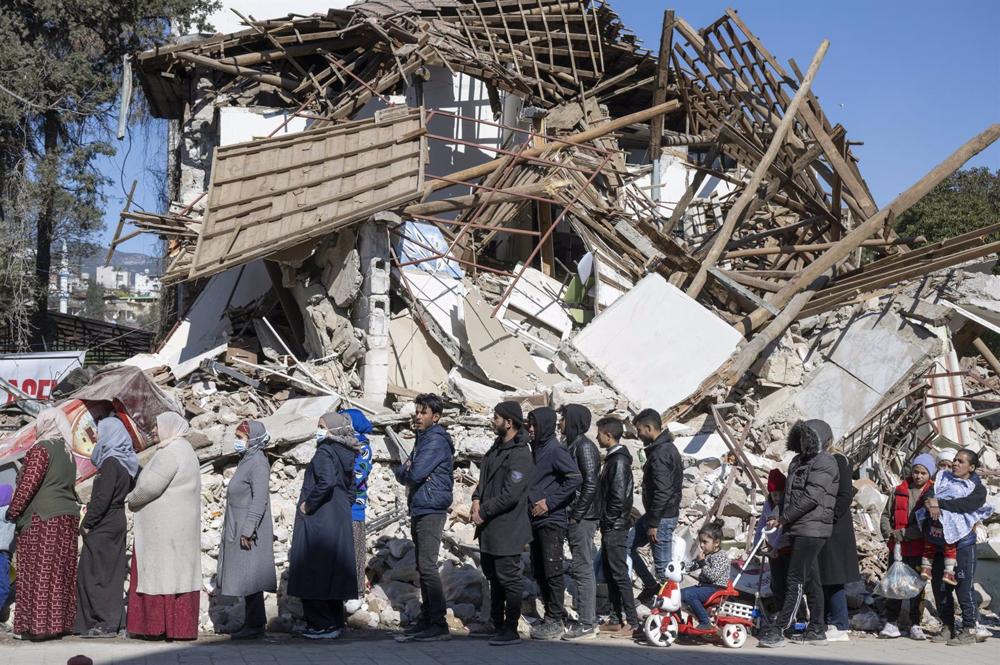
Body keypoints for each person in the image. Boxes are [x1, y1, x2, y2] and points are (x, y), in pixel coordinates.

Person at [758, 419, 839, 649]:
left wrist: (784, 518)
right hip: (798, 526)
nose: (803, 441)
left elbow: (812, 497)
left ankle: (780, 628)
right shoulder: (797, 461)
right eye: (800, 436)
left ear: (819, 439)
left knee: (795, 578)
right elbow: (787, 496)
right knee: (811, 578)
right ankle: (817, 629)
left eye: (808, 437)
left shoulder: (826, 462)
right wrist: (776, 514)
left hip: (813, 529)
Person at [5, 409, 80, 640]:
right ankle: (58, 625)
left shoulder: (41, 449)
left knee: (37, 572)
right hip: (66, 519)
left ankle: (36, 628)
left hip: (43, 519)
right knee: (59, 574)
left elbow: (28, 484)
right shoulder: (68, 453)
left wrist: (12, 512)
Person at [126, 412, 202, 640]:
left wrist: (132, 499)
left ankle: (155, 627)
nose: (155, 432)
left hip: (164, 532)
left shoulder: (170, 453)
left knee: (161, 577)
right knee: (178, 577)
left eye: (158, 427)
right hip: (178, 529)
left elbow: (150, 487)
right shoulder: (186, 450)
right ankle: (179, 629)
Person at [287, 412, 359, 640]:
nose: (317, 429)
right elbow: (351, 488)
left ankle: (321, 625)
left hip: (319, 518)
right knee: (331, 570)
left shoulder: (325, 451)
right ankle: (335, 622)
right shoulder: (346, 453)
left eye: (321, 426)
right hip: (337, 516)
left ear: (332, 431)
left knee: (312, 568)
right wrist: (340, 507)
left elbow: (326, 481)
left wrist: (308, 505)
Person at [471, 401, 534, 646]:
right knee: (494, 576)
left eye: (496, 418)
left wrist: (483, 511)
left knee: (509, 578)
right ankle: (496, 623)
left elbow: (510, 495)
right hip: (489, 526)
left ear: (509, 422)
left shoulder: (520, 455)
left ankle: (511, 627)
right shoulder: (497, 447)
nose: (492, 421)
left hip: (507, 526)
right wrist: (476, 498)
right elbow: (484, 480)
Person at [394, 394, 454, 642]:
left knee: (428, 566)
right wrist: (408, 470)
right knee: (422, 566)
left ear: (435, 417)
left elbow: (414, 472)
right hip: (420, 505)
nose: (418, 416)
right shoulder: (423, 439)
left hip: (431, 507)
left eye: (424, 412)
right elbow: (402, 471)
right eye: (417, 411)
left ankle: (438, 623)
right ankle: (427, 617)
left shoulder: (435, 441)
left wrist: (410, 470)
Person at [75, 415, 138, 637]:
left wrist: (88, 523)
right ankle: (105, 621)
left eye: (101, 433)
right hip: (114, 520)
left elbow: (102, 498)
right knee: (107, 573)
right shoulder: (125, 462)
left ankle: (105, 622)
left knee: (96, 575)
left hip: (104, 523)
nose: (98, 438)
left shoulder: (111, 463)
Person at [924, 449, 992, 646]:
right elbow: (929, 494)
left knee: (963, 588)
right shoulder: (941, 477)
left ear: (971, 467)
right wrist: (932, 503)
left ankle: (969, 628)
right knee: (940, 587)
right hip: (939, 541)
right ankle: (948, 626)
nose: (955, 464)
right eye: (954, 460)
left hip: (962, 544)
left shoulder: (977, 488)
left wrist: (940, 502)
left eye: (960, 461)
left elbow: (966, 505)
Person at [216, 420, 276, 640]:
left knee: (251, 578)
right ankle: (252, 623)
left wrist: (248, 529)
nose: (237, 442)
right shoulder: (247, 460)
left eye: (241, 438)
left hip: (249, 530)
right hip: (238, 525)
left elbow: (260, 500)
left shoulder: (258, 463)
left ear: (253, 440)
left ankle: (255, 625)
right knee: (247, 577)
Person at [525, 407, 581, 640]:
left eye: (534, 425)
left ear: (544, 426)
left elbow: (575, 478)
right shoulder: (536, 448)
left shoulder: (555, 450)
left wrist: (550, 502)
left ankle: (555, 619)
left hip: (552, 520)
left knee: (552, 569)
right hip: (536, 520)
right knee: (539, 567)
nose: (530, 429)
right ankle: (550, 614)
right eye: (529, 424)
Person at [878, 452, 935, 640]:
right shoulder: (899, 490)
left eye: (923, 473)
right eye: (916, 472)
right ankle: (891, 622)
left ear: (930, 475)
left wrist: (902, 534)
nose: (918, 476)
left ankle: (915, 623)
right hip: (898, 549)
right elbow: (886, 516)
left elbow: (926, 525)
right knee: (894, 585)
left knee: (916, 588)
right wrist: (888, 533)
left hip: (918, 548)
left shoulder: (931, 495)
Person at [630, 409, 682, 604]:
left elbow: (663, 491)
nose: (638, 434)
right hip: (657, 515)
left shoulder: (660, 453)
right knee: (626, 546)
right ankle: (652, 587)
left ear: (649, 428)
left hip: (661, 518)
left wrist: (653, 523)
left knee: (663, 568)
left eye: (639, 430)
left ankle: (670, 610)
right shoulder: (665, 448)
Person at [594, 417, 640, 639]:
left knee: (619, 573)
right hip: (611, 525)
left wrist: (609, 520)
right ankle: (615, 619)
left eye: (599, 433)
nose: (597, 437)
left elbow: (619, 497)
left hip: (616, 526)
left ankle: (631, 622)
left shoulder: (619, 461)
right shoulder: (614, 459)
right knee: (612, 572)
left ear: (608, 435)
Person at [558, 404, 599, 641]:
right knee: (580, 566)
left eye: (563, 418)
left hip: (582, 518)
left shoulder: (584, 447)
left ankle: (587, 623)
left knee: (583, 568)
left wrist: (576, 513)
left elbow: (590, 483)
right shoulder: (572, 445)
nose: (560, 423)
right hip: (577, 515)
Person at [818, 440, 861, 642]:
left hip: (835, 527)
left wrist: (829, 516)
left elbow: (844, 495)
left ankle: (840, 624)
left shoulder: (839, 461)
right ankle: (829, 621)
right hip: (823, 526)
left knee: (834, 578)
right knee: (823, 577)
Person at [341, 408, 373, 604]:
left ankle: (357, 592)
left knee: (355, 548)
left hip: (354, 508)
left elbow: (357, 475)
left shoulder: (362, 446)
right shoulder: (344, 444)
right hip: (341, 507)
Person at [682, 519, 731, 631]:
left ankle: (705, 621)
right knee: (679, 594)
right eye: (700, 542)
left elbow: (713, 576)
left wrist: (702, 563)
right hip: (704, 587)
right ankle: (683, 622)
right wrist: (682, 566)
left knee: (689, 595)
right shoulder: (707, 554)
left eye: (705, 542)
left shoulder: (721, 556)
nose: (701, 545)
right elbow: (693, 565)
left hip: (716, 589)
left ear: (716, 543)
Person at [756, 469, 791, 622]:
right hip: (773, 551)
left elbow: (785, 529)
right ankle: (779, 609)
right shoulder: (768, 506)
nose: (776, 498)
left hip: (787, 548)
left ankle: (793, 613)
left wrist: (775, 547)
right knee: (776, 583)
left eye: (779, 494)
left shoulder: (788, 506)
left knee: (789, 583)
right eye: (773, 494)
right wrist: (757, 545)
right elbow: (761, 526)